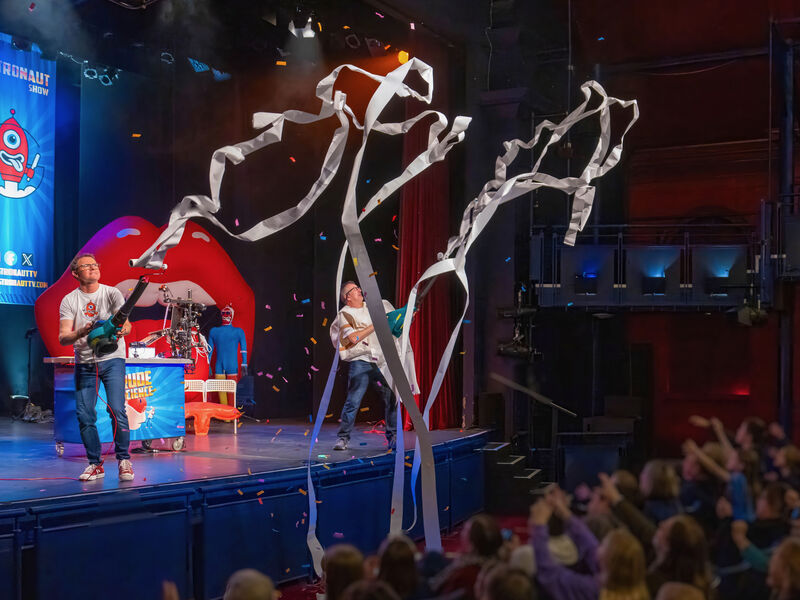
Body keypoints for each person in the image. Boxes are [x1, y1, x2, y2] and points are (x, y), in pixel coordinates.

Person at [58, 252, 133, 482]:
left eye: (94, 264)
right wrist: (81, 332)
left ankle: (124, 460)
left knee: (117, 409)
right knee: (84, 414)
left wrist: (122, 330)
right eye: (86, 266)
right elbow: (63, 338)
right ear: (75, 274)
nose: (92, 268)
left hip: (112, 360)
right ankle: (94, 464)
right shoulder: (70, 300)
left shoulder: (112, 293)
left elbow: (127, 324)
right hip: (86, 362)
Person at [330, 281, 411, 451]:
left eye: (358, 287)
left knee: (391, 397)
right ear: (347, 297)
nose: (359, 290)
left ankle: (393, 437)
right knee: (353, 400)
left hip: (380, 361)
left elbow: (394, 322)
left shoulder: (375, 307)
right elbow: (354, 339)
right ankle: (343, 438)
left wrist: (409, 312)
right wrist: (376, 324)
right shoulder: (346, 313)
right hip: (361, 360)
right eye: (354, 289)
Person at [207, 304, 247, 406]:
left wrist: (244, 364)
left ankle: (231, 414)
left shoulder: (238, 331)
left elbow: (243, 349)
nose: (225, 315)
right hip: (219, 365)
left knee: (231, 391)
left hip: (231, 364)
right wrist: (208, 364)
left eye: (228, 313)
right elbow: (209, 350)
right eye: (223, 313)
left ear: (232, 315)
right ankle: (225, 415)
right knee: (221, 391)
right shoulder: (214, 331)